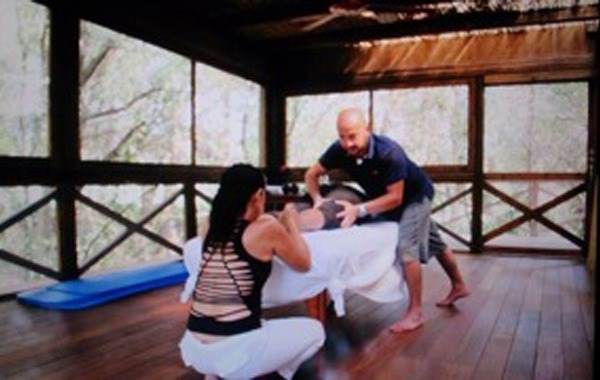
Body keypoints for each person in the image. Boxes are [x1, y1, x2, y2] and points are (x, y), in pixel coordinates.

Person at [304, 108, 470, 333]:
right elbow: (311, 174)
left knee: (406, 246)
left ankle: (415, 312)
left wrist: (359, 210)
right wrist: (316, 199)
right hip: (389, 196)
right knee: (434, 241)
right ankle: (459, 285)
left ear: (368, 129)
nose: (347, 143)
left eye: (352, 136)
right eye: (342, 136)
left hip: (414, 196)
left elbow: (395, 198)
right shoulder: (339, 149)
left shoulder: (389, 152)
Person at [179, 164, 325, 380]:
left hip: (194, 347)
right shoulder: (266, 226)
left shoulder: (211, 225)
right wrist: (290, 223)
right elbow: (304, 263)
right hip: (235, 350)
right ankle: (241, 371)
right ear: (258, 195)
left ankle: (215, 374)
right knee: (316, 331)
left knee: (245, 322)